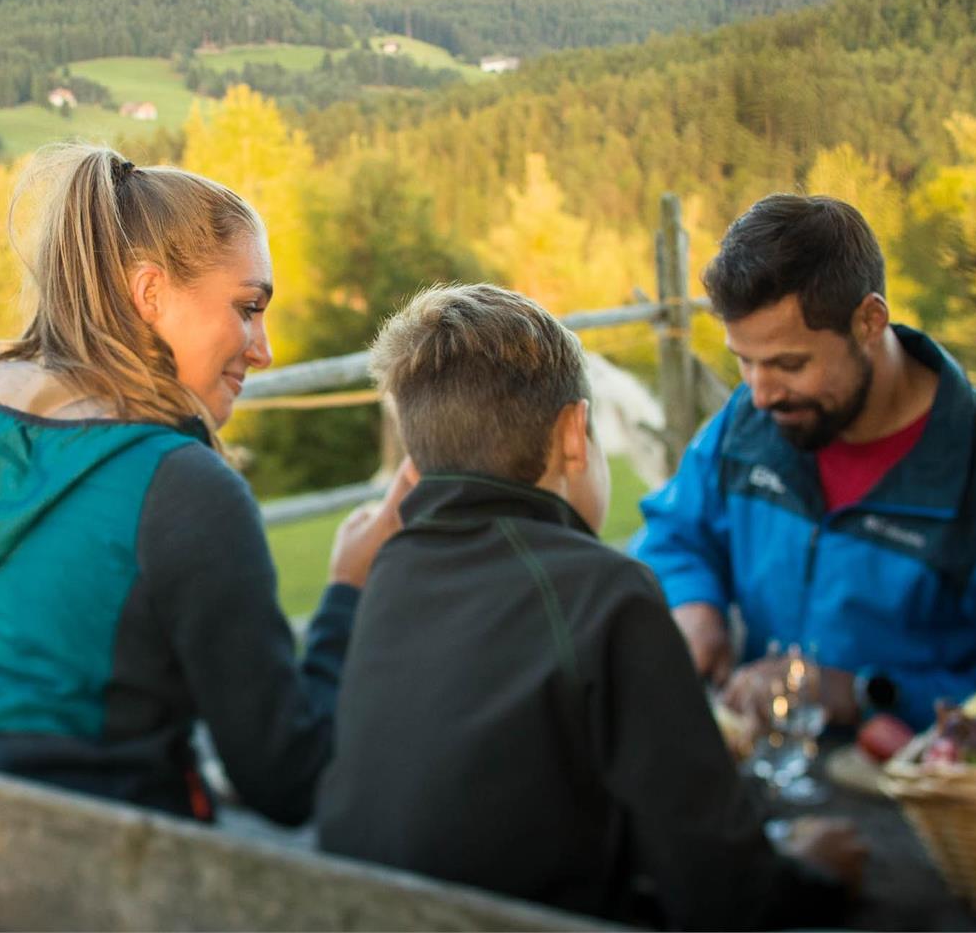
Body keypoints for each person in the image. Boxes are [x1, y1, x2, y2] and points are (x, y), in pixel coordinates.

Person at [0, 144, 411, 826]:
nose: (264, 348)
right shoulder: (180, 488)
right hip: (121, 881)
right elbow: (287, 776)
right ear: (150, 293)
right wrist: (349, 592)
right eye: (248, 307)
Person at [316, 283, 863, 930]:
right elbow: (724, 892)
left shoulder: (388, 577)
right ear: (575, 435)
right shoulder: (608, 593)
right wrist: (810, 867)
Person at [635, 194, 976, 733]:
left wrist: (864, 691)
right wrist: (695, 609)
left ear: (869, 321)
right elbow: (676, 535)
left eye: (789, 364)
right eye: (744, 361)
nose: (760, 394)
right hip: (769, 775)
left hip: (928, 797)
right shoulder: (748, 425)